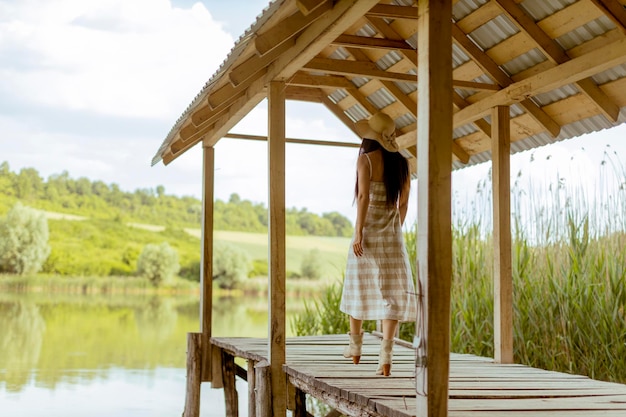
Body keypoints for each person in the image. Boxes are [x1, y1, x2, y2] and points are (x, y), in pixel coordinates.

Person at [340, 112, 417, 377]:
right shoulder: (403, 164)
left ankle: (356, 349)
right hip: (391, 235)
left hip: (368, 231)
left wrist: (359, 232)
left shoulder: (365, 160)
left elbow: (363, 196)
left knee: (356, 286)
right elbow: (403, 203)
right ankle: (386, 359)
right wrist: (395, 227)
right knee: (392, 295)